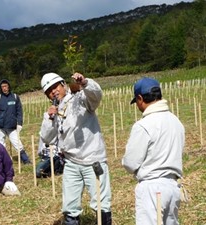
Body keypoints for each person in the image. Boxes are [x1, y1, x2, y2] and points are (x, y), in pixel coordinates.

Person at [40, 72, 112, 225]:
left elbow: (96, 97)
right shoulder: (54, 110)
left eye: (55, 87)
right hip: (71, 162)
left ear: (63, 84)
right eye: (49, 91)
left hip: (93, 159)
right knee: (70, 205)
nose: (53, 92)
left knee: (100, 202)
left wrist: (85, 83)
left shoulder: (79, 99)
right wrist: (49, 118)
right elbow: (47, 138)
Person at [122, 77, 185, 225]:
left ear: (140, 98)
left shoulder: (143, 125)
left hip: (152, 188)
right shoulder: (176, 121)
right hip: (173, 187)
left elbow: (130, 163)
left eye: (137, 102)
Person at [0, 79, 31, 164]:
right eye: (2, 87)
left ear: (8, 86)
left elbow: (19, 111)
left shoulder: (15, 97)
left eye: (5, 86)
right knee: (0, 145)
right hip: (0, 127)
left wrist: (19, 123)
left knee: (17, 143)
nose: (4, 88)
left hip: (12, 127)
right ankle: (3, 161)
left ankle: (25, 159)